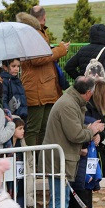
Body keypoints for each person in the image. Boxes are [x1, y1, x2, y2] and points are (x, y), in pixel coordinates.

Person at [43, 76, 105, 208]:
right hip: (58, 159)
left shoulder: (70, 101)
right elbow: (75, 135)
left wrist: (90, 130)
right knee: (59, 200)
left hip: (63, 158)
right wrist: (91, 130)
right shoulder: (68, 105)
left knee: (64, 199)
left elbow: (74, 130)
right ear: (87, 93)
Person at [16, 9, 70, 146]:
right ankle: (33, 162)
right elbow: (37, 58)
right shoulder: (31, 33)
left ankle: (39, 162)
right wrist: (60, 50)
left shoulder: (34, 32)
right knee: (35, 129)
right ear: (44, 18)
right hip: (37, 89)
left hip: (44, 88)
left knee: (43, 129)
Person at [69, 79, 105, 208]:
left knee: (81, 192)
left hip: (87, 159)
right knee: (82, 191)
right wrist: (93, 133)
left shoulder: (92, 110)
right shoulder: (88, 112)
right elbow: (82, 131)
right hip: (83, 160)